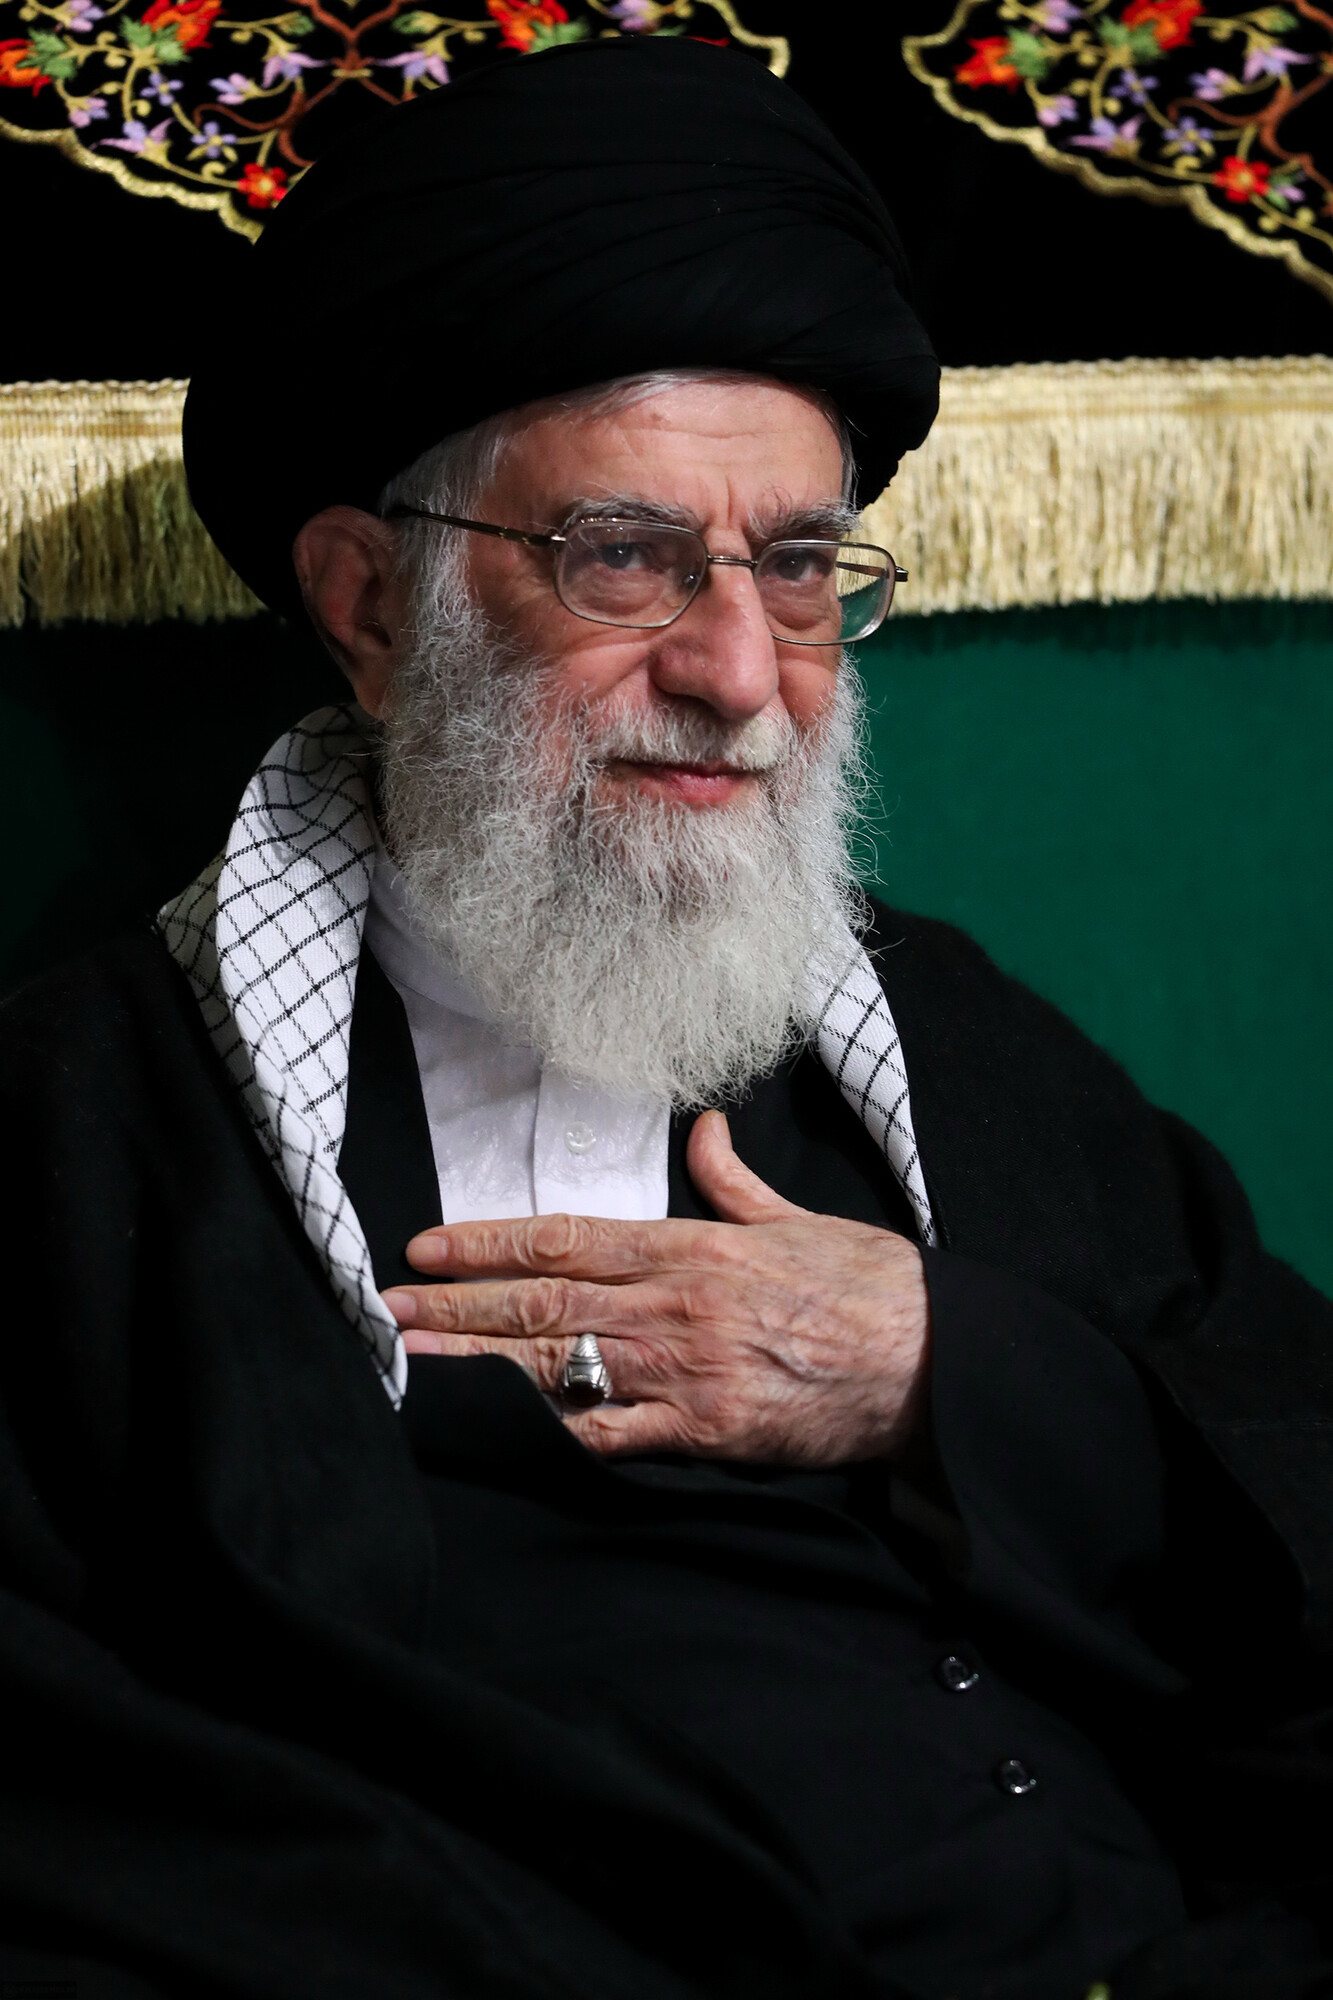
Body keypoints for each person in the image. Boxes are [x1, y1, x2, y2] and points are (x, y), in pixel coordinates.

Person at [1, 36, 1330, 2000]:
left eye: (793, 570)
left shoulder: (953, 1040)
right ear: (370, 606)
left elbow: (1291, 1475)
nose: (737, 672)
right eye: (622, 557)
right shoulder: (86, 1125)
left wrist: (941, 1373)